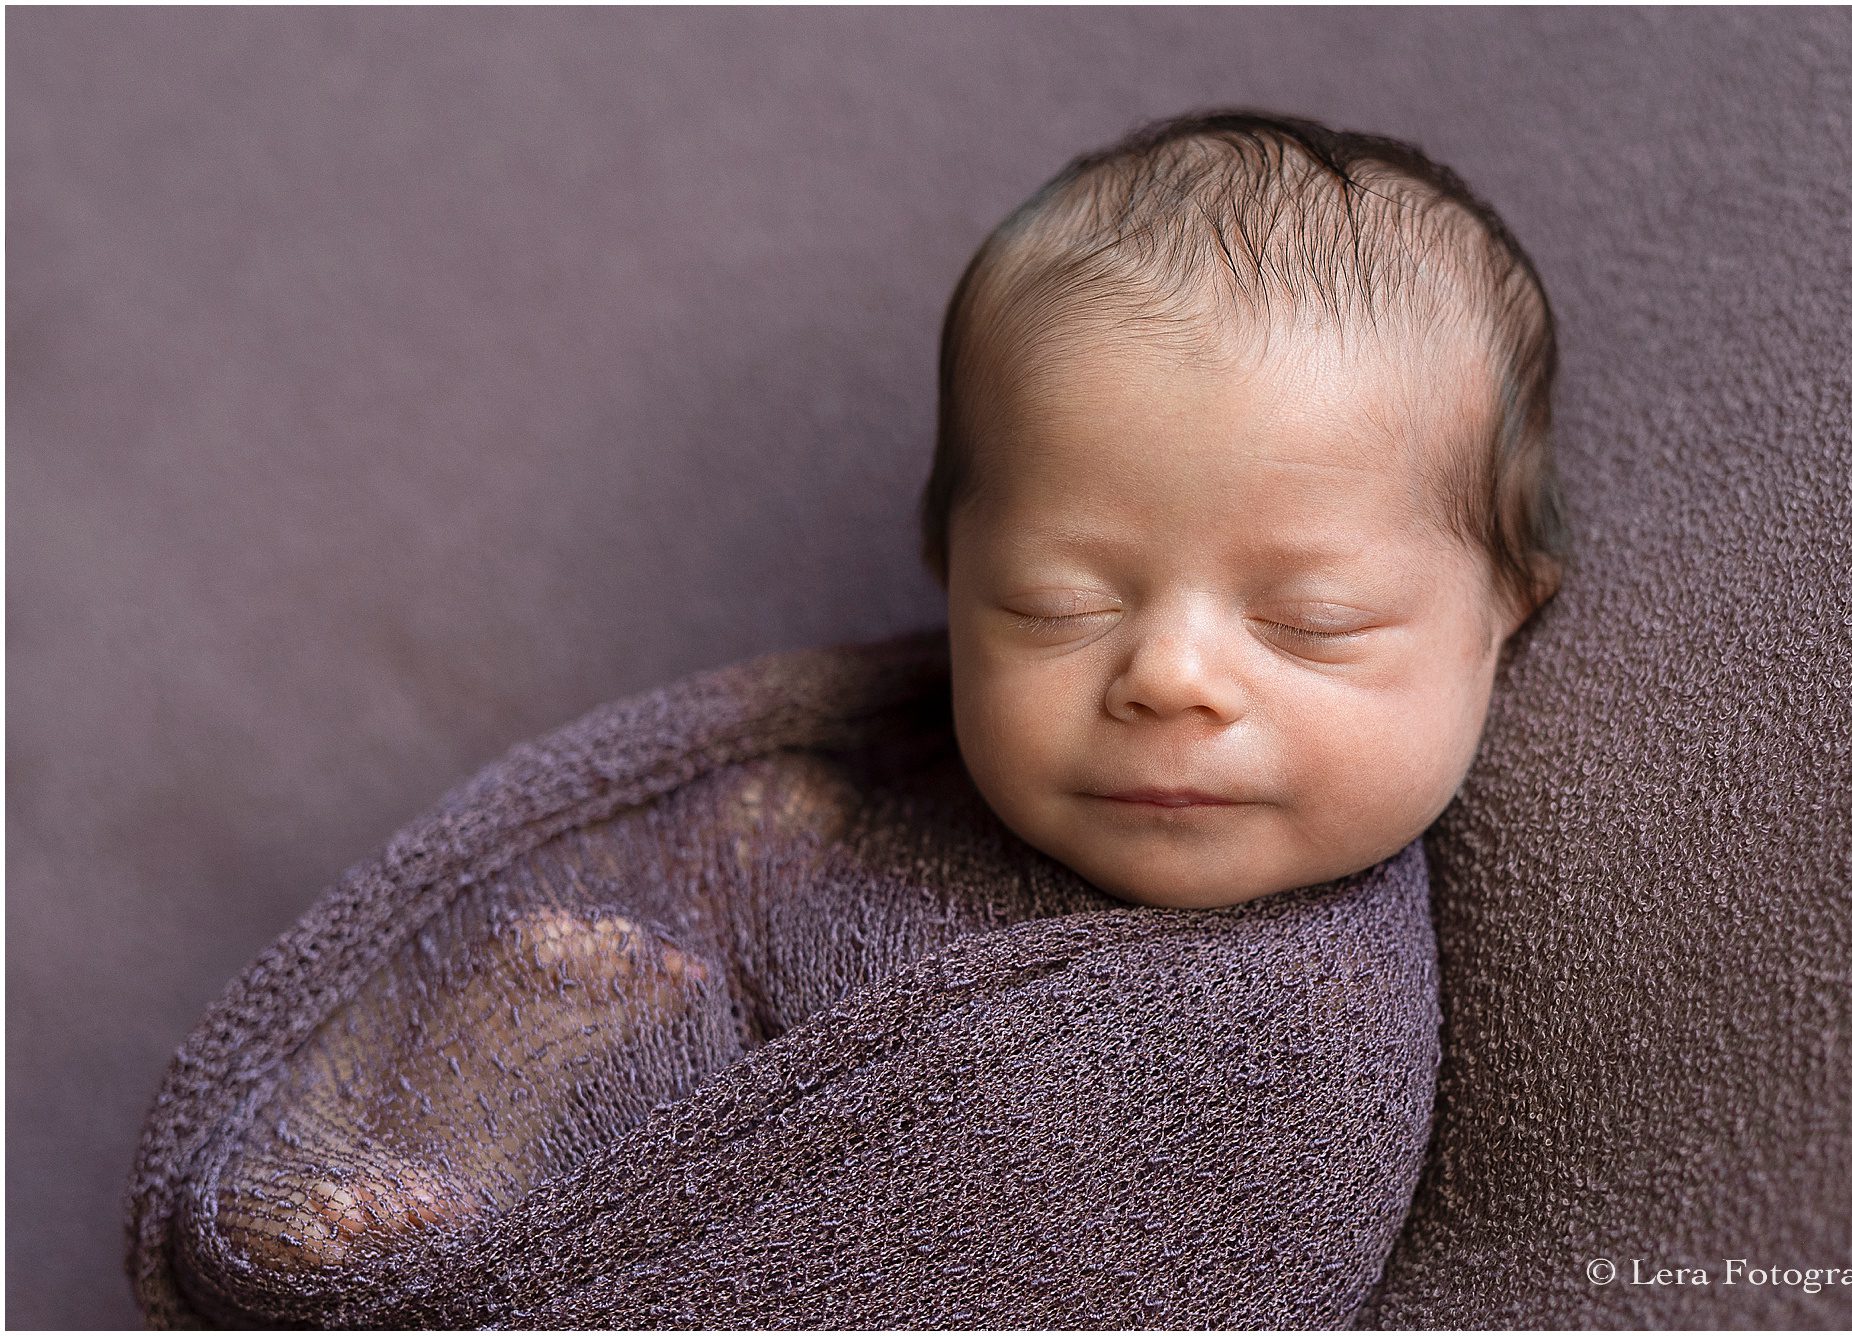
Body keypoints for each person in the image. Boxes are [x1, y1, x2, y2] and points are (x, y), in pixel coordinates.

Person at [216, 106, 1568, 1271]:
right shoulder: (833, 811)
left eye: (1311, 620)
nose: (1168, 676)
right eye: (1058, 605)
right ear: (950, 573)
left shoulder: (1298, 1054)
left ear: (1503, 613)